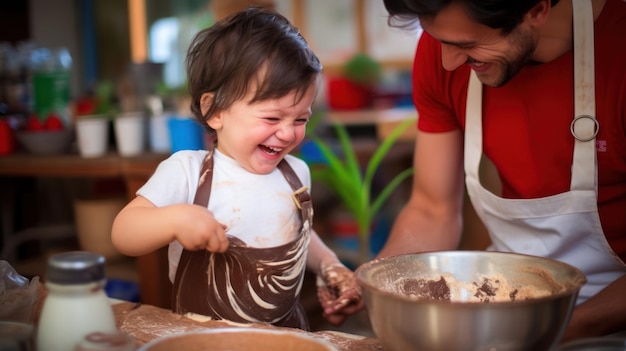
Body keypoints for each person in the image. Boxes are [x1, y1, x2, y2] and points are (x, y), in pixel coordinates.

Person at [378, 0, 626, 342]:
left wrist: (556, 332)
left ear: (536, 10)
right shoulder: (443, 51)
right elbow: (431, 210)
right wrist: (378, 284)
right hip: (508, 311)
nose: (447, 62)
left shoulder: (618, 50)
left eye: (467, 45)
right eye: (440, 42)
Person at [111, 7, 363, 330]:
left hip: (286, 335)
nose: (288, 133)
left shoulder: (296, 174)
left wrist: (329, 263)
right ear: (214, 111)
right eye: (272, 118)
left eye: (300, 119)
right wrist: (173, 219)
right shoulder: (187, 172)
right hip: (204, 340)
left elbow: (298, 231)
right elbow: (123, 233)